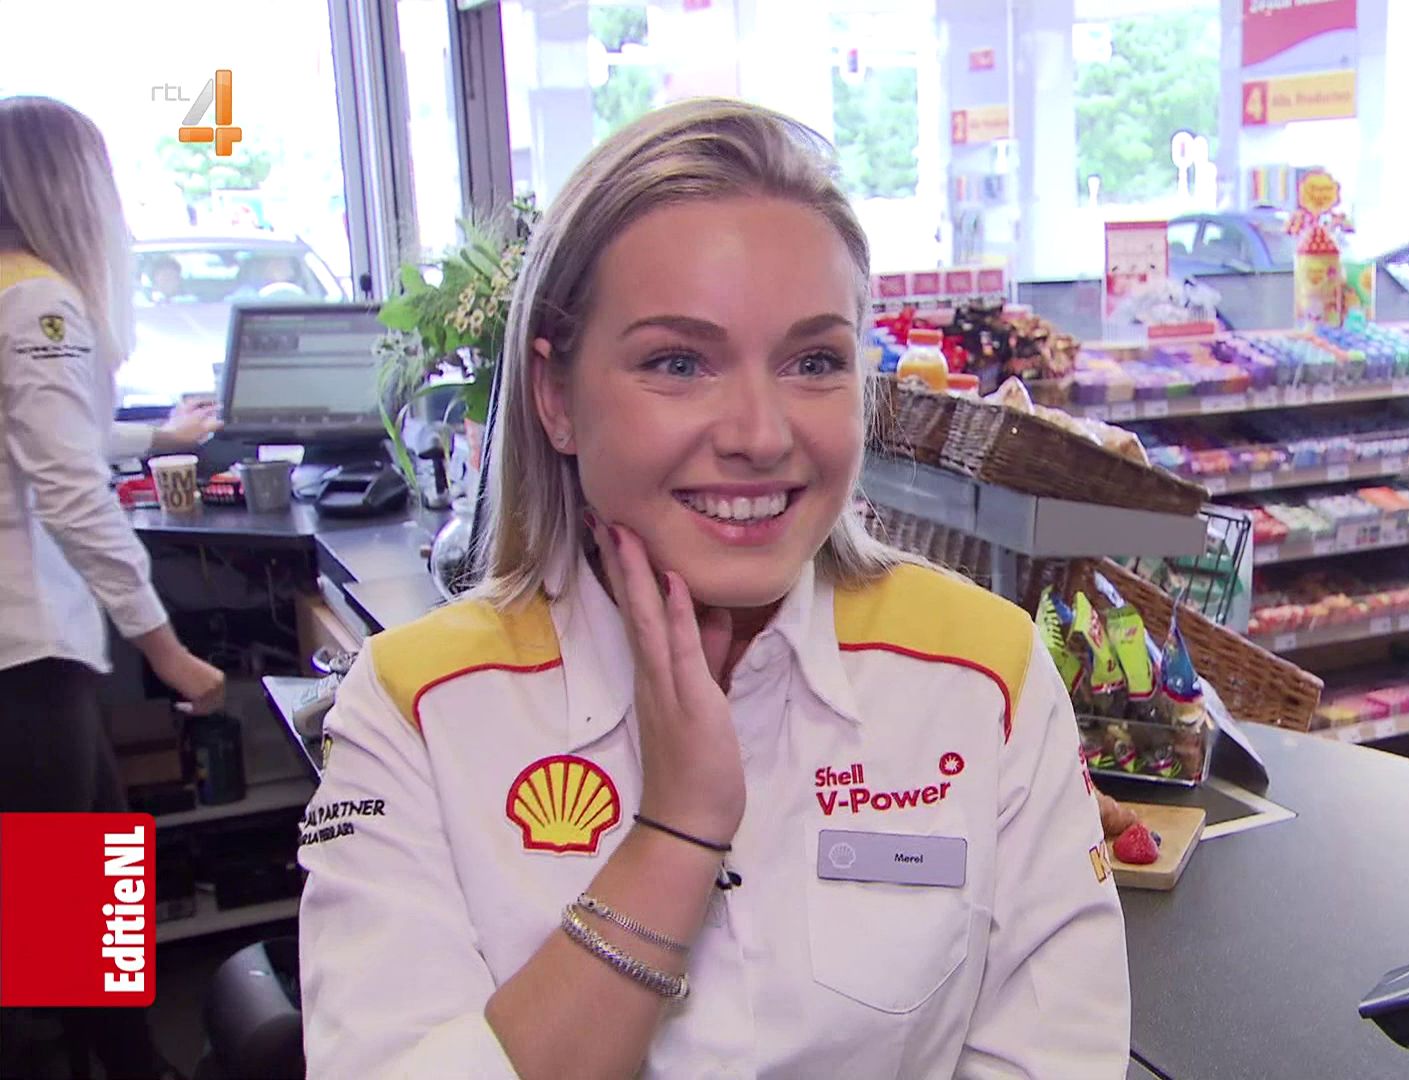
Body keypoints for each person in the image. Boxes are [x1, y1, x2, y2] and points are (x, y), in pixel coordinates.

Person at [297, 98, 1131, 1078]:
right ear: (556, 396)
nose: (760, 435)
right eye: (679, 362)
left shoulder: (984, 672)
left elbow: (1054, 1054)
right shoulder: (416, 710)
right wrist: (675, 834)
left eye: (813, 362)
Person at [0, 95, 226, 1079]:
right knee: (66, 907)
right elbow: (68, 491)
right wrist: (166, 650)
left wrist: (154, 436)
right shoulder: (38, 304)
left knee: (89, 876)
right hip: (24, 650)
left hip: (25, 650)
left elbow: (44, 435)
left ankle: (131, 1061)